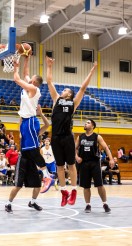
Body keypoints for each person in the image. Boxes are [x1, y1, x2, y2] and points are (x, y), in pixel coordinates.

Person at [46, 56, 97, 207]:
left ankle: (73, 190)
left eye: (66, 90)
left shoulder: (73, 103)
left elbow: (83, 87)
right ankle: (63, 192)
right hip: (55, 137)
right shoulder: (56, 99)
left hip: (67, 136)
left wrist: (92, 70)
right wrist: (49, 66)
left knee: (71, 165)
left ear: (70, 94)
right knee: (60, 167)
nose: (63, 90)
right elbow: (49, 82)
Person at [5, 54, 52, 213]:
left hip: (31, 121)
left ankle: (47, 175)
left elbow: (18, 79)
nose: (29, 78)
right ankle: (14, 202)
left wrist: (15, 66)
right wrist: (26, 58)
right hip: (25, 122)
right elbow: (25, 74)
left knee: (33, 148)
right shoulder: (29, 86)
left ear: (34, 82)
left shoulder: (33, 89)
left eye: (31, 78)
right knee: (27, 150)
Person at [75, 119, 114, 213]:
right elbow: (74, 149)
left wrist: (111, 159)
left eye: (88, 123)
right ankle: (88, 205)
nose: (85, 124)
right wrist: (76, 157)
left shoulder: (97, 137)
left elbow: (105, 148)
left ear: (92, 126)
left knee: (100, 185)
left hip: (95, 163)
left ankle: (105, 203)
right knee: (86, 186)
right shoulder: (80, 137)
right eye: (85, 123)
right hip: (84, 163)